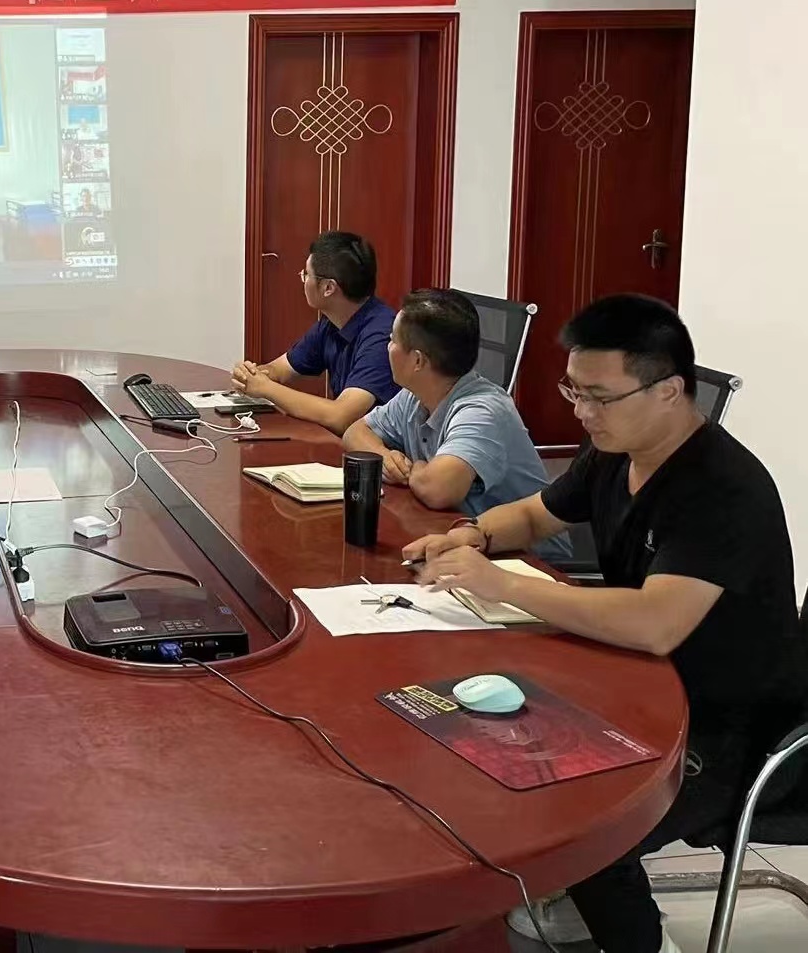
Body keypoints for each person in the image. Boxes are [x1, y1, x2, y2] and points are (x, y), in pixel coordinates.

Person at [403, 295, 807, 953]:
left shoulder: (723, 489)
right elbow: (535, 514)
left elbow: (654, 624)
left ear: (669, 390)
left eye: (600, 396)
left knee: (588, 820)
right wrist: (473, 535)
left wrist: (502, 584)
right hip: (637, 683)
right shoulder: (616, 450)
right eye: (574, 390)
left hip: (728, 729)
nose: (582, 412)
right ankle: (568, 892)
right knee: (478, 731)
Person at [342, 288, 569, 560]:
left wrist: (416, 469)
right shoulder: (414, 395)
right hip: (462, 541)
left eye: (392, 340)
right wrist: (386, 457)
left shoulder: (482, 410)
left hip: (529, 560)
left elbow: (439, 489)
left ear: (418, 361)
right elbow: (355, 432)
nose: (387, 347)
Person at [231, 230, 399, 435]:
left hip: (379, 450)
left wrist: (265, 388)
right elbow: (280, 370)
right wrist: (252, 374)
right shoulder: (330, 324)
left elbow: (340, 416)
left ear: (328, 287)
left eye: (306, 275)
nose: (303, 280)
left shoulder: (383, 336)